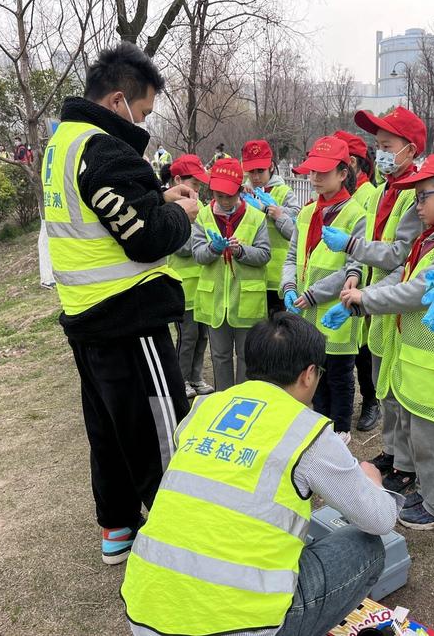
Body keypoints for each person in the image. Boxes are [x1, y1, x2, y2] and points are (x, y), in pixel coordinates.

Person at [121, 313, 401, 636]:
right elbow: (379, 520)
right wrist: (373, 481)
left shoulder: (205, 407)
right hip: (243, 626)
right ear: (309, 375)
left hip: (144, 612)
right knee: (366, 548)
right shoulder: (307, 430)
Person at [41, 41, 200, 565]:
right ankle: (182, 538)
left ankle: (118, 529)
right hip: (128, 316)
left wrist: (156, 196)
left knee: (108, 429)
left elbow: (109, 210)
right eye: (145, 110)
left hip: (85, 316)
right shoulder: (103, 149)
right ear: (116, 102)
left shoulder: (61, 143)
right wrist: (182, 215)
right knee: (162, 430)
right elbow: (147, 237)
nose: (145, 121)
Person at [331, 152, 434, 529]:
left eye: (423, 197)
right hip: (421, 355)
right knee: (419, 431)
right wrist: (361, 299)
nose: (416, 206)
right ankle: (428, 495)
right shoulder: (432, 237)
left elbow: (415, 292)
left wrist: (365, 299)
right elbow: (402, 276)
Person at [322, 106, 426, 492]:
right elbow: (365, 249)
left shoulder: (416, 192)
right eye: (377, 145)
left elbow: (400, 254)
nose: (378, 152)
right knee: (384, 384)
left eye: (387, 145)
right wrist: (352, 281)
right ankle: (393, 453)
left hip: (396, 301)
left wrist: (354, 249)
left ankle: (408, 464)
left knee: (399, 388)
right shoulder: (383, 191)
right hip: (373, 300)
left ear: (409, 150)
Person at [281, 136, 367, 445]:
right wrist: (289, 285)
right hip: (306, 310)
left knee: (340, 374)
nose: (315, 178)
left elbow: (354, 266)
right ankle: (320, 425)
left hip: (336, 310)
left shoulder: (356, 215)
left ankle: (340, 429)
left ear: (344, 173)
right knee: (314, 372)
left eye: (323, 172)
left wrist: (316, 293)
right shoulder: (307, 213)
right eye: (312, 172)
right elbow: (292, 257)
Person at [192, 157, 271, 390]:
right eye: (219, 195)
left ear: (240, 190)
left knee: (247, 357)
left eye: (229, 195)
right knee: (220, 356)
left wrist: (240, 251)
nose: (224, 201)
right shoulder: (203, 216)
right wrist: (213, 249)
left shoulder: (256, 217)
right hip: (216, 303)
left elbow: (264, 255)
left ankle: (243, 401)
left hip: (246, 301)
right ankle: (224, 399)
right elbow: (198, 254)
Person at [333, 129, 380, 432]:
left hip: (368, 280)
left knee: (365, 349)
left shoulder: (369, 195)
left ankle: (371, 401)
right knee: (348, 349)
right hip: (345, 279)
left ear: (350, 162)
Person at [168, 154, 215, 398]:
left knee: (202, 335)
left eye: (199, 184)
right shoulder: (169, 210)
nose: (198, 189)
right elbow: (184, 247)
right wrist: (206, 242)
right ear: (178, 180)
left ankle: (196, 376)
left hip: (204, 287)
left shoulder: (203, 209)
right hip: (183, 288)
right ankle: (181, 379)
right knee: (187, 337)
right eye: (194, 183)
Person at [240, 139, 302, 314]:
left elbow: (294, 231)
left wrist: (276, 211)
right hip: (251, 276)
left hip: (278, 276)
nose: (256, 176)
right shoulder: (243, 193)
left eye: (260, 171)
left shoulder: (284, 192)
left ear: (271, 167)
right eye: (251, 171)